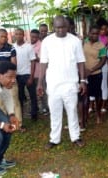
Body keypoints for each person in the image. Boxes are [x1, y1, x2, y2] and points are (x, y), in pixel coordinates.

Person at [37, 15, 86, 149]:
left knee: (72, 111)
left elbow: (81, 61)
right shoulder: (47, 42)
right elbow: (43, 63)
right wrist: (40, 82)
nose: (60, 30)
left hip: (71, 84)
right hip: (53, 84)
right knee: (55, 112)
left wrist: (82, 80)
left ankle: (75, 137)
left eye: (63, 27)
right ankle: (54, 138)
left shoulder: (75, 41)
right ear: (53, 27)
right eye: (58, 27)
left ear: (67, 26)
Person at [84, 26, 107, 124]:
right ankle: (85, 116)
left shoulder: (101, 46)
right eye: (92, 33)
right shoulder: (83, 42)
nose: (95, 35)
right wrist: (84, 71)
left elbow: (103, 61)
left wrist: (92, 70)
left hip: (96, 74)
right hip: (84, 74)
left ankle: (98, 114)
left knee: (97, 95)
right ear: (89, 33)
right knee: (85, 95)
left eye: (97, 34)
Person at [13, 28, 38, 121]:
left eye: (20, 34)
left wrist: (31, 77)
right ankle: (20, 115)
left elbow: (33, 62)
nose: (18, 36)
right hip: (17, 76)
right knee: (19, 97)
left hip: (27, 75)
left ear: (23, 35)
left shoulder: (28, 47)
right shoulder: (13, 47)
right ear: (14, 35)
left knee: (32, 96)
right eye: (16, 34)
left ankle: (34, 114)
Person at [31, 29, 49, 116]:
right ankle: (36, 108)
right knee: (33, 91)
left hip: (39, 72)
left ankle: (45, 107)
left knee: (42, 90)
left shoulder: (41, 45)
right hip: (31, 72)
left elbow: (43, 59)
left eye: (35, 37)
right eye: (31, 36)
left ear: (38, 37)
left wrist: (35, 57)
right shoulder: (28, 45)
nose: (33, 38)